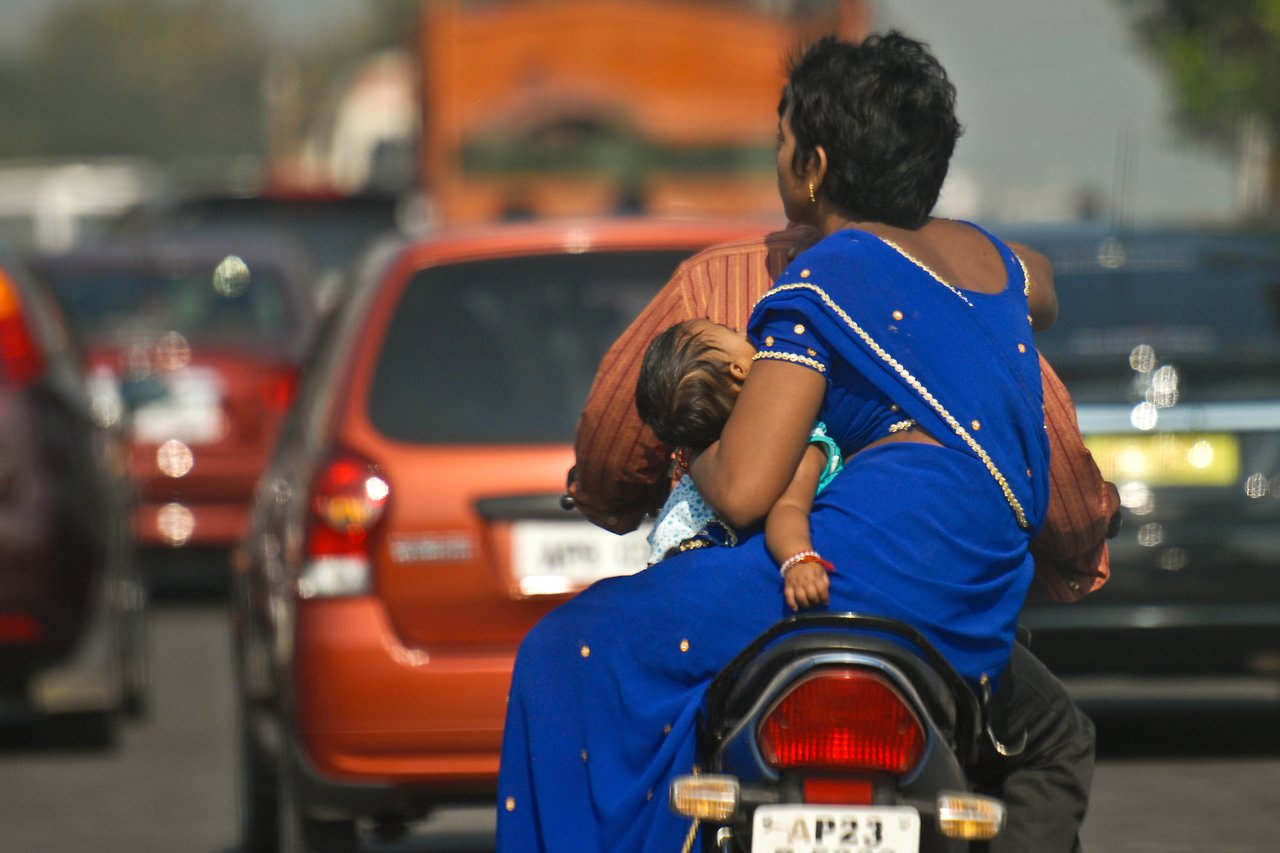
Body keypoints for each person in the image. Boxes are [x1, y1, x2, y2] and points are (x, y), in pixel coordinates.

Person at [499, 32, 1111, 852]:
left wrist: (702, 447)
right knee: (1053, 736)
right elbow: (1044, 288)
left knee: (561, 651)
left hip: (858, 576)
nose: (778, 157)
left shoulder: (819, 280)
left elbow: (748, 488)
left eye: (784, 143)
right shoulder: (992, 263)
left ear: (815, 167)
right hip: (973, 603)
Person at [636, 319, 842, 610]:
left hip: (675, 592)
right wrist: (799, 559)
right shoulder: (795, 448)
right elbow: (788, 510)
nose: (746, 331)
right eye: (732, 332)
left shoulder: (696, 474)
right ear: (739, 371)